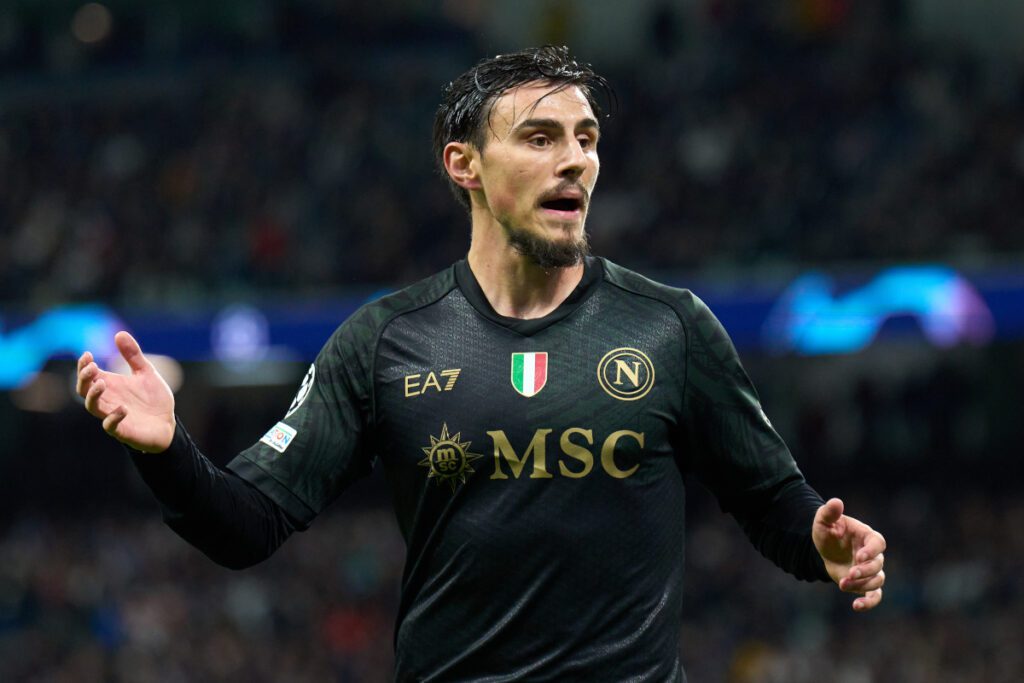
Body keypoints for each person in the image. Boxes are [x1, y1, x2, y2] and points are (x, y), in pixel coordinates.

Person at [76, 46, 886, 681]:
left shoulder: (670, 327)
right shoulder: (383, 340)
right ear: (463, 164)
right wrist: (168, 453)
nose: (575, 160)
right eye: (540, 138)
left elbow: (773, 499)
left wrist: (824, 542)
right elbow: (246, 523)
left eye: (586, 138)